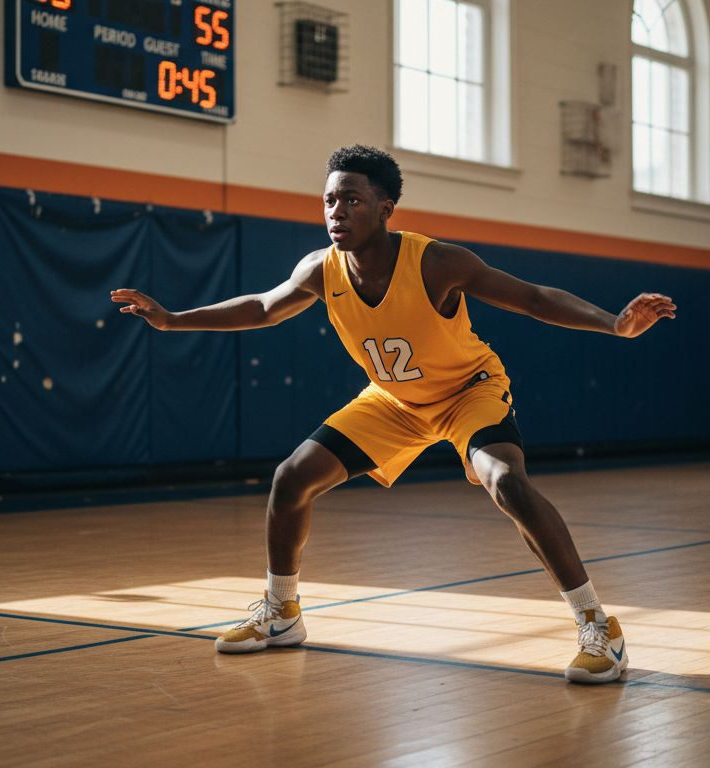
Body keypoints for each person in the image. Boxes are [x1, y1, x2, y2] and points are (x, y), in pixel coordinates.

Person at [111, 145, 675, 683]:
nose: (337, 211)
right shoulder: (320, 268)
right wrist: (173, 319)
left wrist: (613, 323)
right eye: (330, 199)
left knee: (507, 483)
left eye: (352, 200)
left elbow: (530, 297)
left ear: (385, 209)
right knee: (291, 479)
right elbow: (262, 307)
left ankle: (597, 625)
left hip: (466, 392)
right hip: (394, 401)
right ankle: (282, 612)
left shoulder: (436, 261)